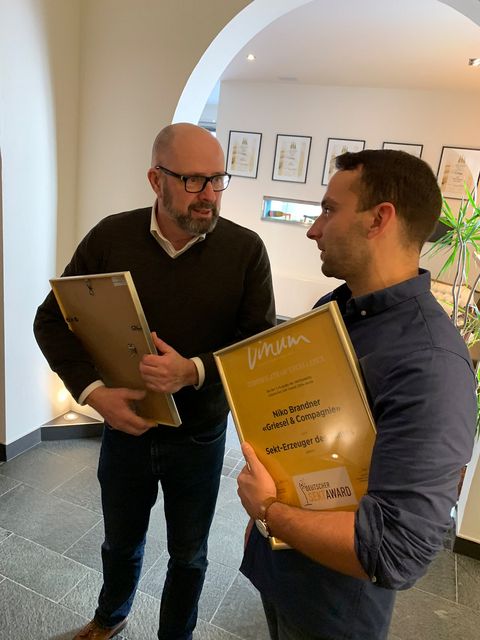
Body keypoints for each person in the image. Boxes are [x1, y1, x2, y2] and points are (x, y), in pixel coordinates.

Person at [34, 123, 275, 640]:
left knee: (189, 555)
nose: (209, 195)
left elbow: (258, 350)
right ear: (155, 179)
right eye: (193, 180)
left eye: (217, 179)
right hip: (127, 430)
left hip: (200, 436)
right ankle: (111, 616)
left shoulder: (246, 250)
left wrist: (194, 370)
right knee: (120, 542)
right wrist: (95, 395)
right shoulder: (110, 237)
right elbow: (50, 320)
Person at [237, 149, 476, 640]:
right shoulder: (336, 308)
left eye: (329, 210)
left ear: (378, 219)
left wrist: (268, 512)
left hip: (335, 612)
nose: (314, 229)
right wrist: (266, 525)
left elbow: (397, 550)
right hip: (282, 573)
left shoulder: (431, 364)